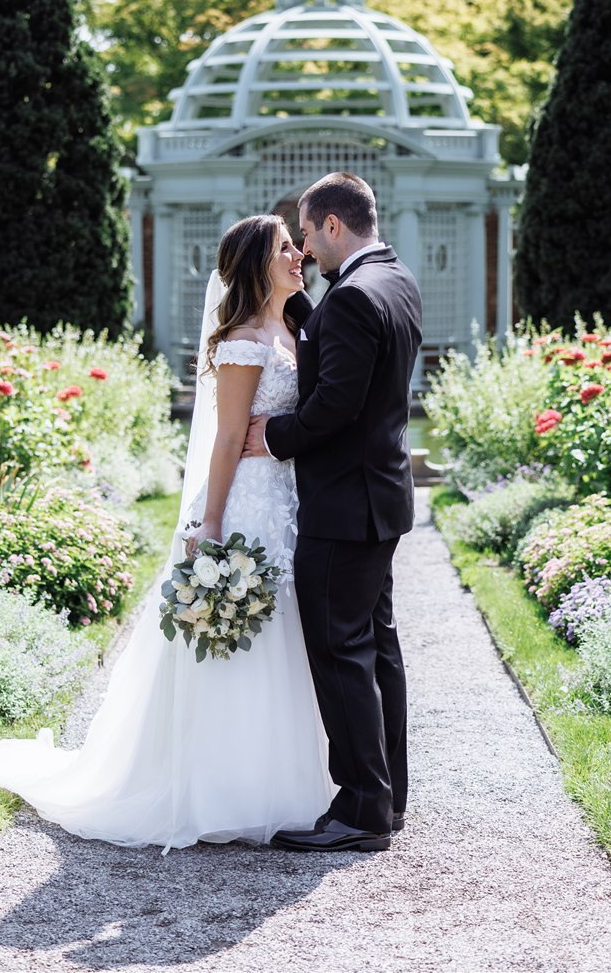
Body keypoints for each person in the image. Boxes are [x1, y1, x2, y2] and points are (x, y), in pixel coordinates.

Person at [0, 214, 333, 849]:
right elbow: (226, 441)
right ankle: (224, 787)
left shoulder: (294, 327)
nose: (300, 256)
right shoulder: (242, 340)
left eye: (298, 247)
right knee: (237, 639)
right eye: (286, 249)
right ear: (255, 265)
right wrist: (209, 524)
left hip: (287, 502)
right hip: (246, 507)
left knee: (284, 634)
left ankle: (288, 781)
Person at [246, 171, 423, 853]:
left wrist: (274, 436)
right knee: (377, 649)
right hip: (378, 497)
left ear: (332, 226)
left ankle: (359, 809)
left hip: (343, 504)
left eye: (308, 234)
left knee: (341, 652)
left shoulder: (351, 297)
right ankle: (388, 797)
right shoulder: (396, 278)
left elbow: (335, 406)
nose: (305, 252)